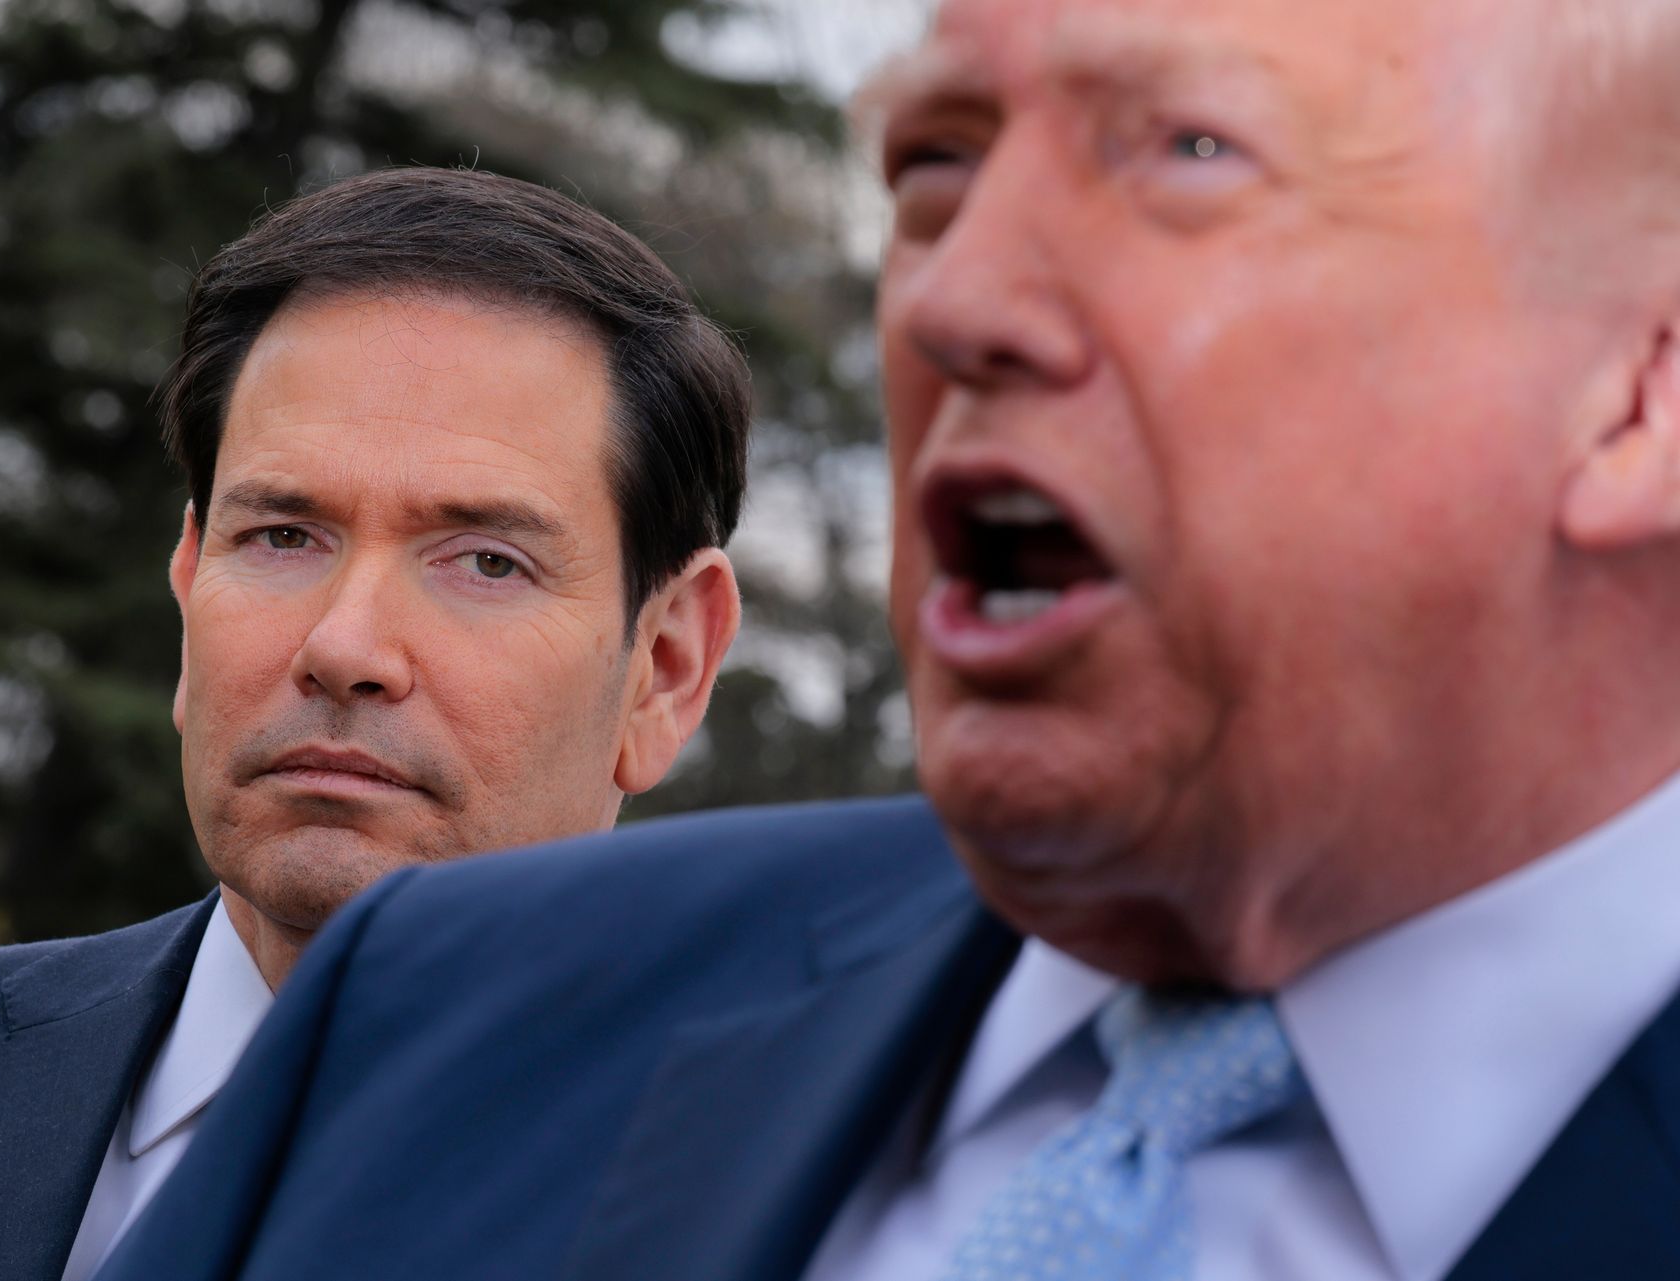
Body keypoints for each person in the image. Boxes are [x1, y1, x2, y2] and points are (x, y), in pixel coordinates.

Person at [97, 1, 1680, 1278]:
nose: (955, 296)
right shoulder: (445, 1015)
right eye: (938, 167)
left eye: (1191, 153)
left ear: (1635, 391)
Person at [0, 166, 750, 1281]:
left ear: (666, 668)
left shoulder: (828, 1208)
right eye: (283, 536)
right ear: (188, 589)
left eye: (484, 560)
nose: (343, 646)